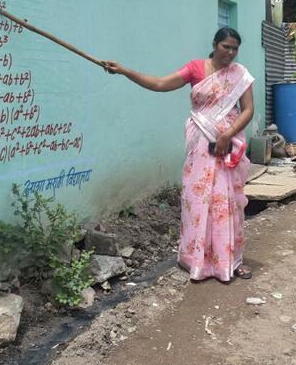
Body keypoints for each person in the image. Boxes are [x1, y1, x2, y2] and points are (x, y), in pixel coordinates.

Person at [103, 28, 254, 282]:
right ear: (215, 44)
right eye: (226, 46)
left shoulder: (239, 75)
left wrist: (228, 134)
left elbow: (248, 110)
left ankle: (231, 260)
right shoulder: (195, 68)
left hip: (226, 143)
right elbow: (161, 84)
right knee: (198, 198)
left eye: (234, 48)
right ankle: (198, 261)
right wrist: (124, 71)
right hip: (200, 141)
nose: (230, 52)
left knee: (226, 202)